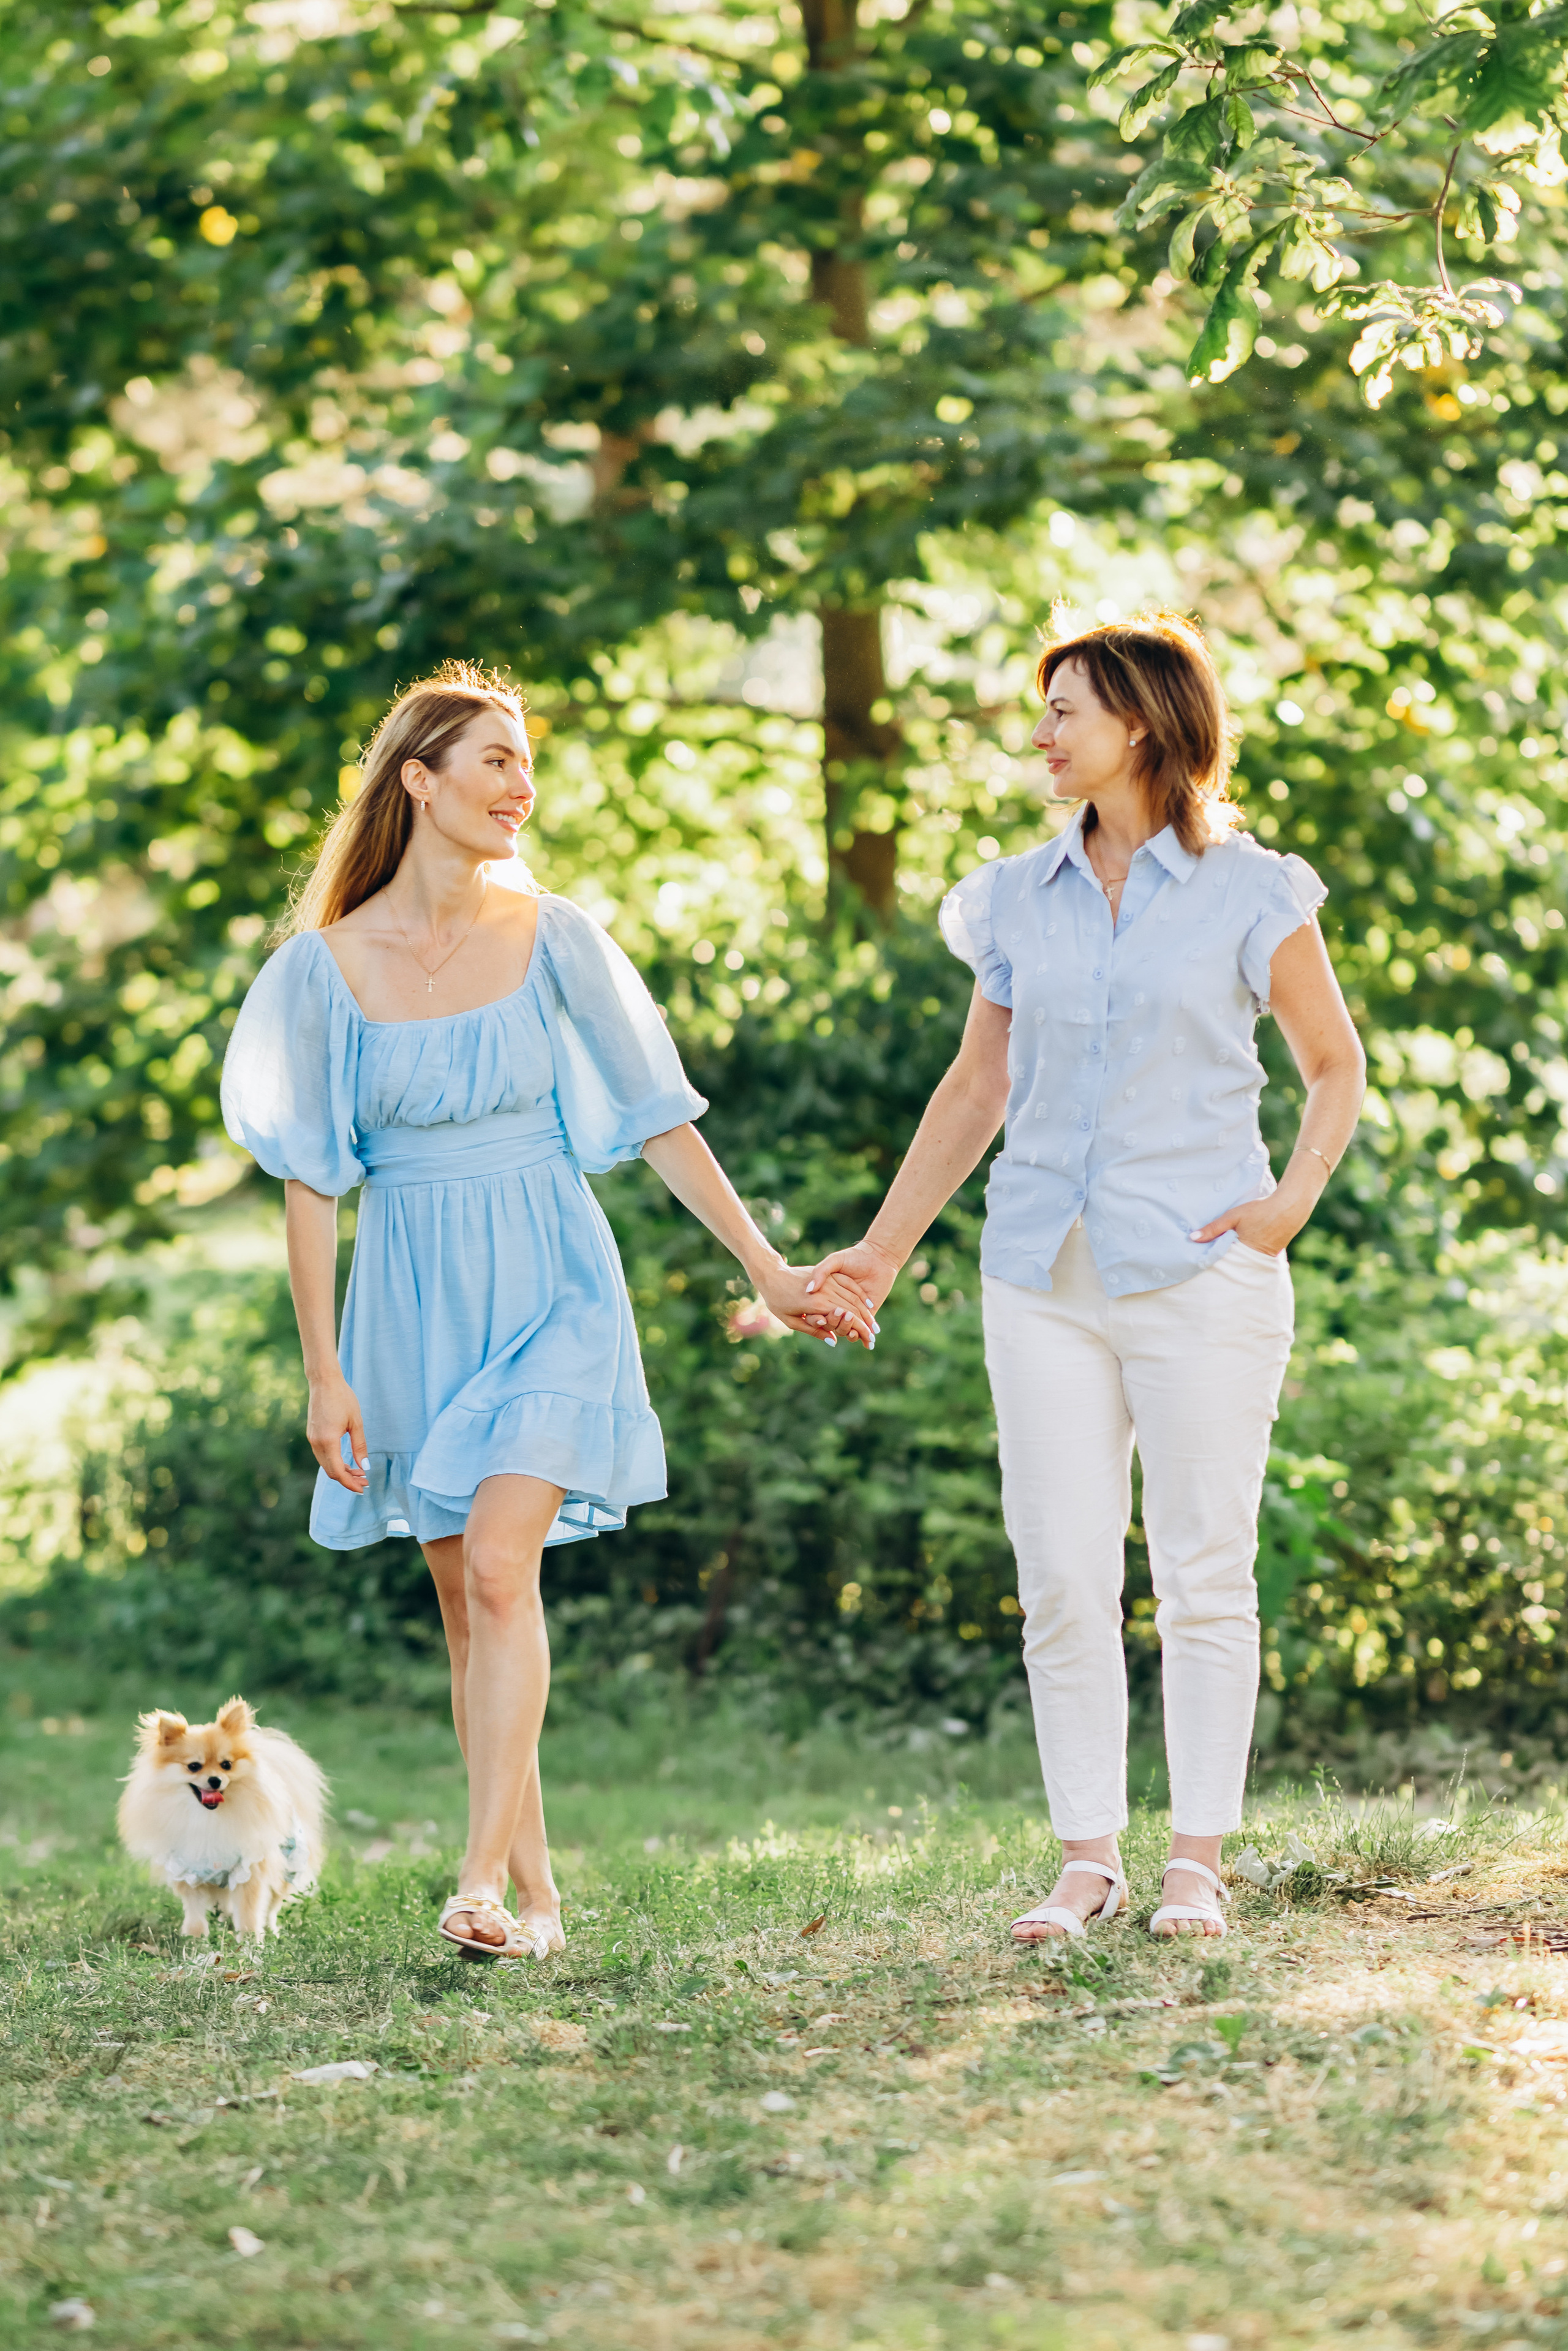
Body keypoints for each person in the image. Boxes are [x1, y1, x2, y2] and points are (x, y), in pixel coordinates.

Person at [221, 662, 870, 1960]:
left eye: (527, 762)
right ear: (419, 779)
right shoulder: (320, 969)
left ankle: (468, 1883)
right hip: (409, 1294)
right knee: (471, 1607)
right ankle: (537, 1899)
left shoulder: (557, 932)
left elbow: (658, 1116)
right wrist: (323, 1371)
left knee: (507, 1568)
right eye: (495, 761)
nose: (523, 786)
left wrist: (763, 1261)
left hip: (552, 1279)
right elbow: (309, 1183)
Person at [808, 613, 1365, 1941]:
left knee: (1201, 1571)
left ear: (1145, 724)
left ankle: (1195, 1861)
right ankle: (1085, 1858)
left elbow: (1330, 1063)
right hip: (1038, 1273)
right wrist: (878, 1253)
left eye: (1066, 708)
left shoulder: (1250, 890)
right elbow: (978, 1083)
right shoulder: (1010, 894)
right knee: (1057, 1569)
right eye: (1044, 706)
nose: (1043, 731)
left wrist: (1283, 1203)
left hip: (1198, 1272)